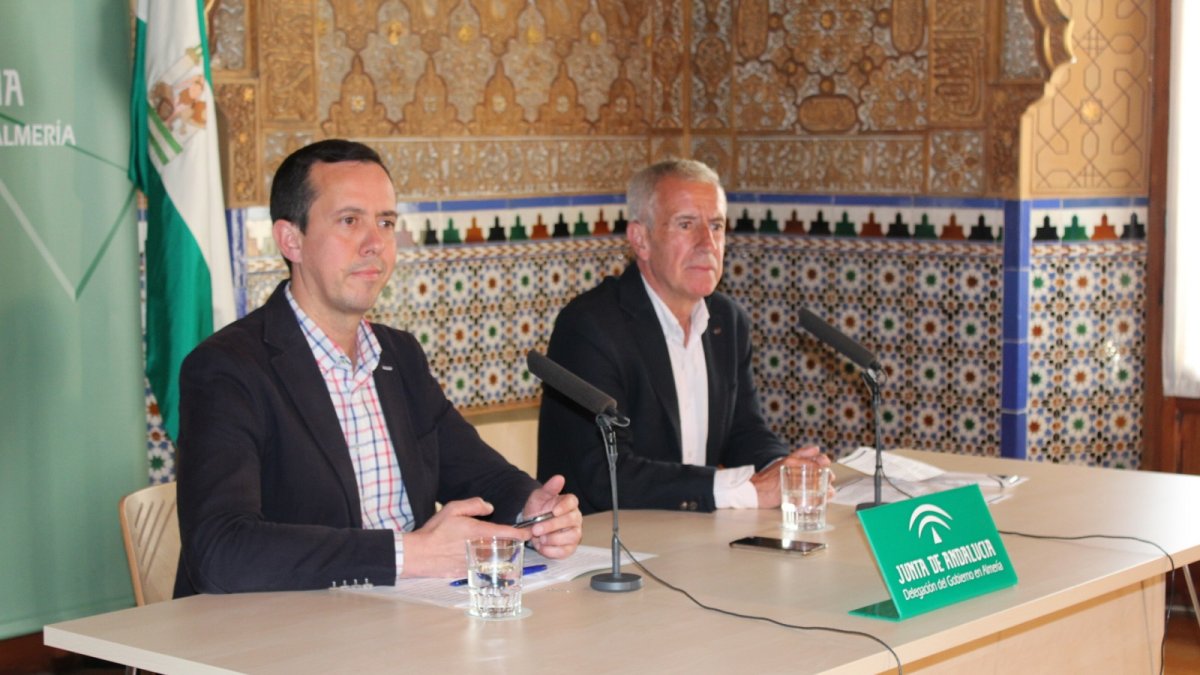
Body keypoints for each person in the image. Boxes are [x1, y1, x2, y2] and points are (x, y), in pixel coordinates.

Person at [174, 139, 582, 596]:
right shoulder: (228, 368)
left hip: (409, 613)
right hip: (285, 627)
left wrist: (534, 510)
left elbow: (480, 475)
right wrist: (408, 555)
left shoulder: (398, 354)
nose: (375, 244)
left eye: (385, 222)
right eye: (350, 221)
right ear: (291, 240)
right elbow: (220, 550)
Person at [537, 159, 829, 514]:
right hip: (605, 538)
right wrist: (743, 491)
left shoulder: (727, 321)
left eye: (716, 226)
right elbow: (607, 473)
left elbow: (744, 432)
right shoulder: (589, 327)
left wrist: (785, 470)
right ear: (640, 239)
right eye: (686, 224)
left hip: (695, 532)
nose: (708, 243)